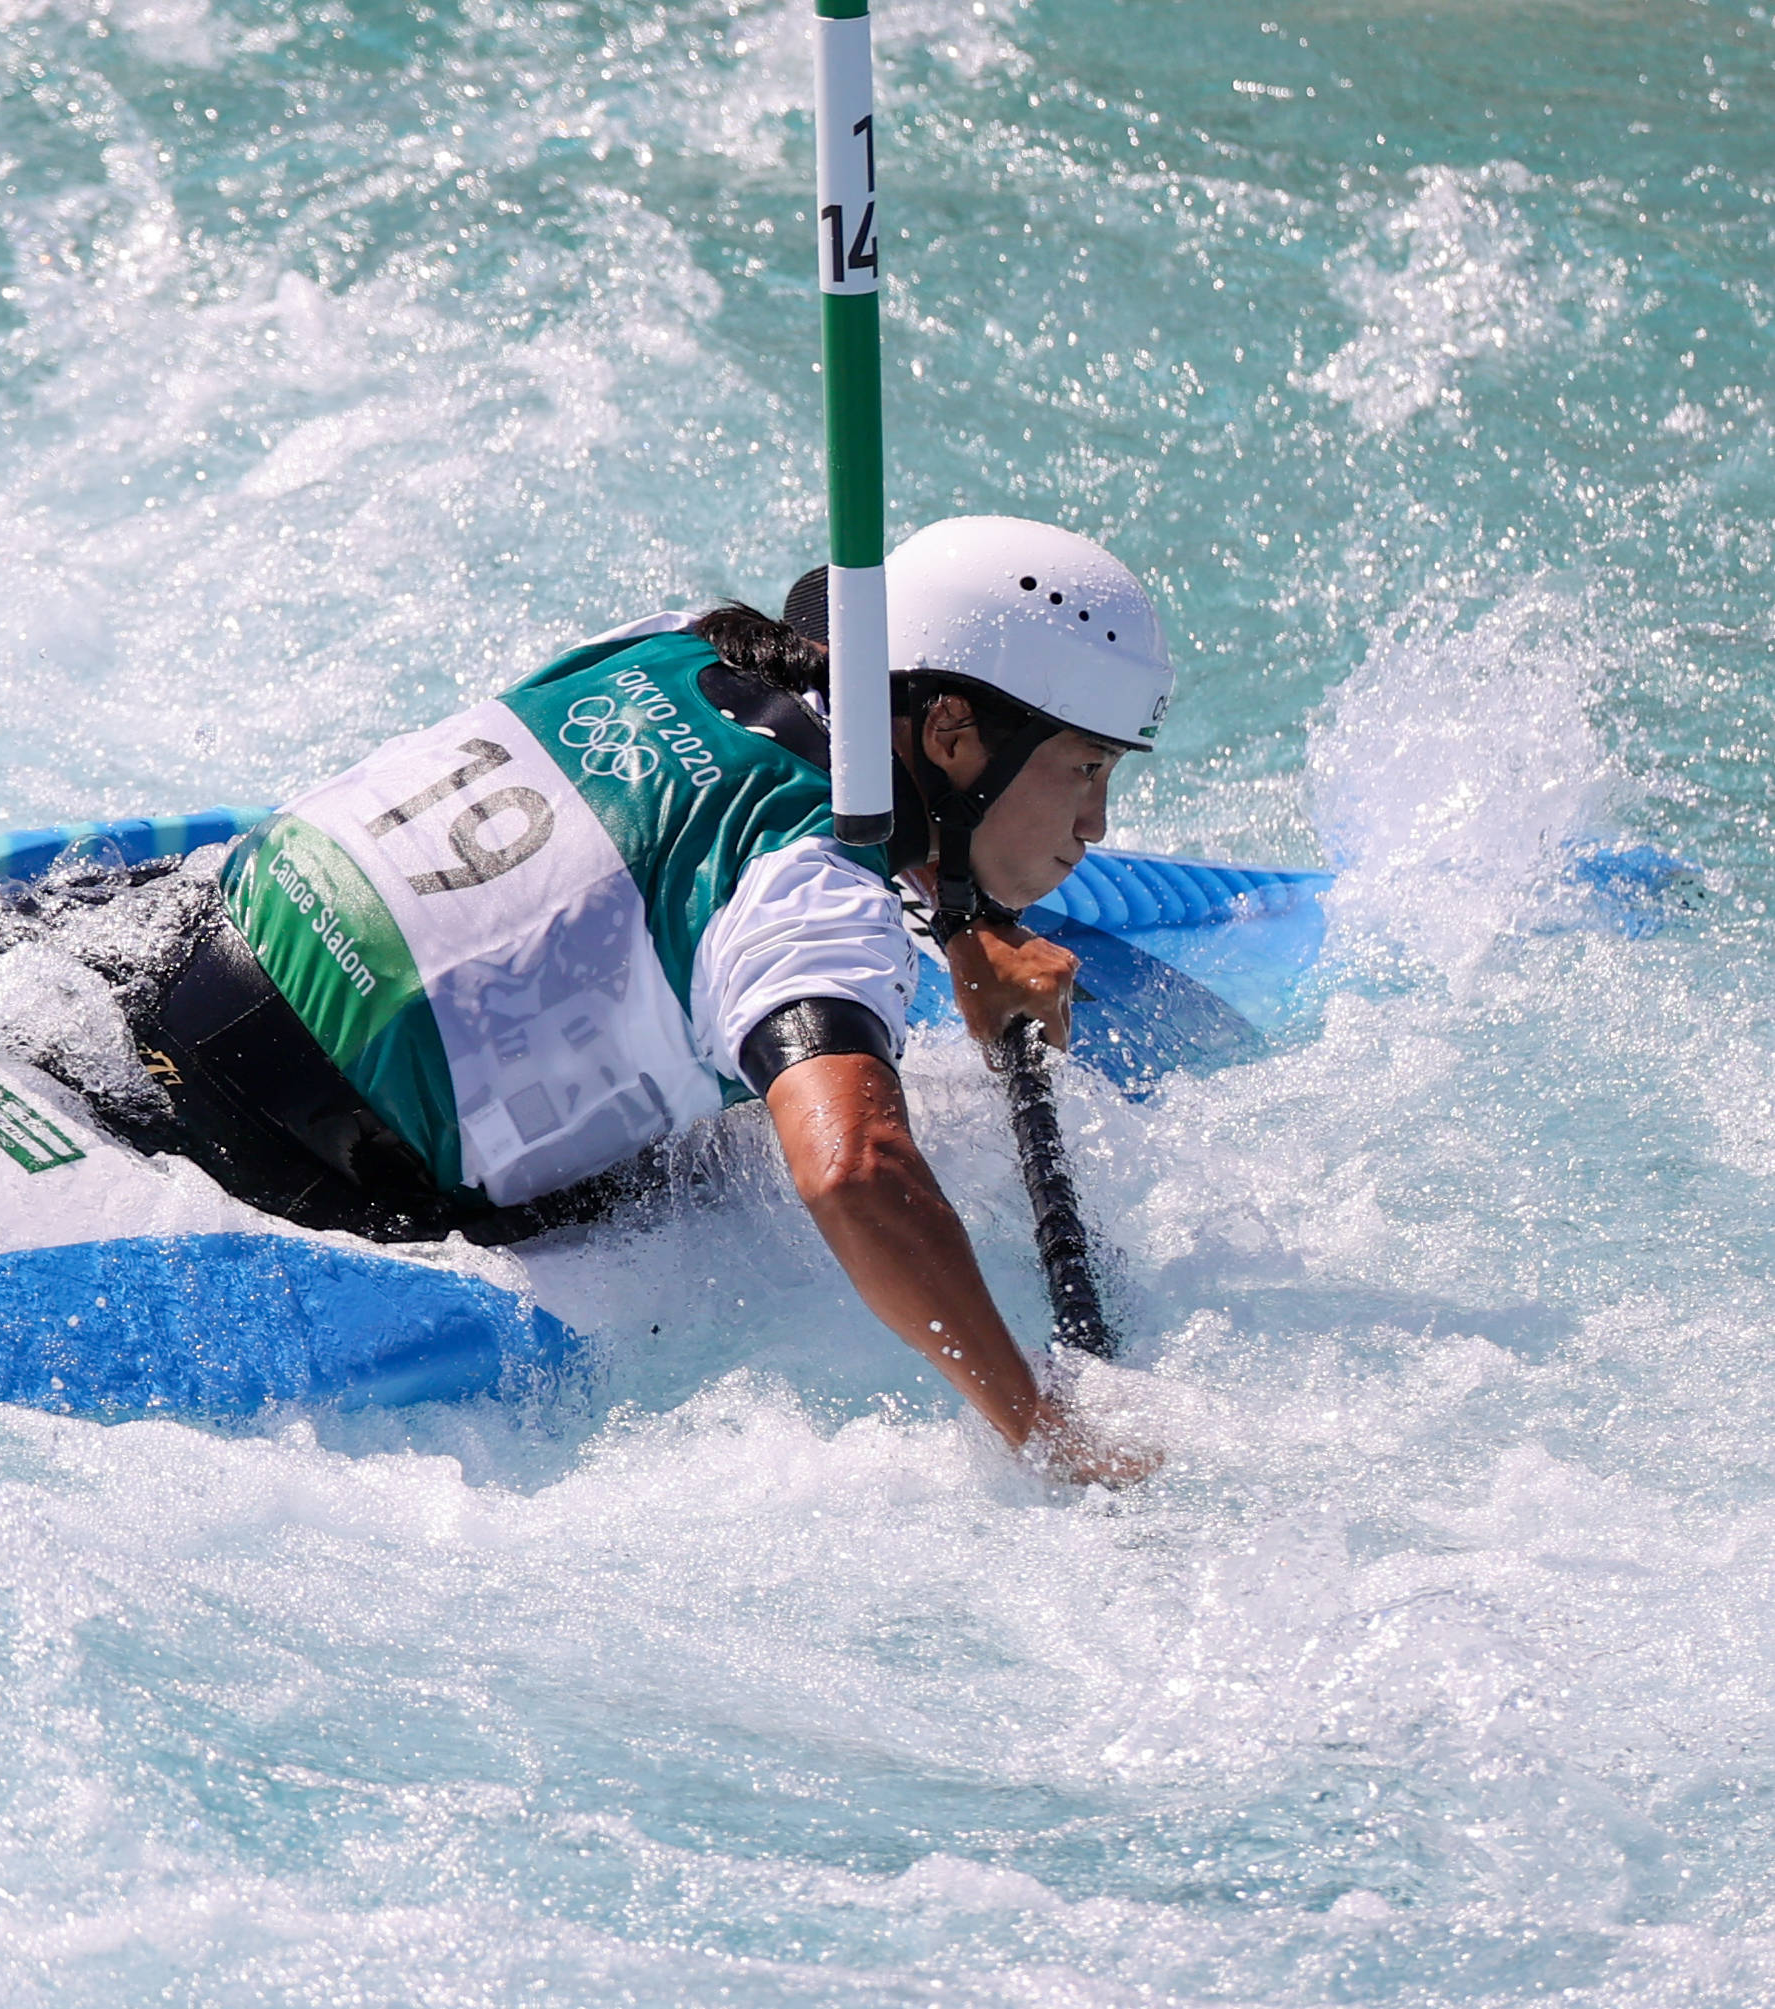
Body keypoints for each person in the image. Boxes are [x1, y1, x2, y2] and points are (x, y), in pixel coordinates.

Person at [95, 515, 1168, 1482]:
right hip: (292, 1160)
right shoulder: (815, 903)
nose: (1099, 824)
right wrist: (1041, 1427)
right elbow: (855, 1172)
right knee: (712, 1164)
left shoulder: (685, 642)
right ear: (947, 733)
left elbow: (756, 802)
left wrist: (960, 914)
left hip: (167, 957)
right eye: (1083, 770)